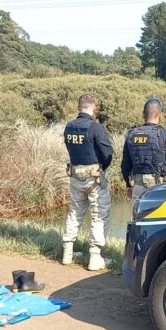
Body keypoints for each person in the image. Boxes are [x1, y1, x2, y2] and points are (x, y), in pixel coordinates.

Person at [61, 94, 113, 271]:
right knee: (99, 214)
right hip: (94, 178)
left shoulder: (69, 126)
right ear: (94, 108)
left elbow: (69, 148)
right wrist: (102, 167)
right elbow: (107, 153)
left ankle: (67, 253)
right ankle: (95, 257)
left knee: (74, 213)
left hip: (75, 176)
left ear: (78, 107)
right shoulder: (95, 128)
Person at [121, 98, 166, 212]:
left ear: (143, 114)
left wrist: (128, 184)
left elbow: (125, 165)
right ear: (160, 115)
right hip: (160, 186)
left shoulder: (131, 135)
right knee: (158, 220)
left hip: (138, 185)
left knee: (137, 221)